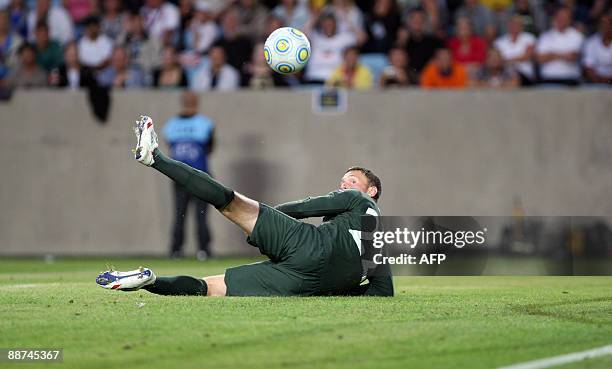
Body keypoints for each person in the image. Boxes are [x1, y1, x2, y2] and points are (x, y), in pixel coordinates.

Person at [96, 116, 393, 297]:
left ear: (372, 191)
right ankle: (151, 281)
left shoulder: (361, 200)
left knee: (229, 201)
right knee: (211, 288)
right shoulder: (379, 243)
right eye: (342, 181)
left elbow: (305, 207)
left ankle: (155, 158)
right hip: (308, 284)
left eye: (351, 181)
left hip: (308, 247)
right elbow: (383, 291)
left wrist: (266, 215)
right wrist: (342, 285)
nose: (343, 185)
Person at [161, 92, 215, 260]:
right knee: (197, 215)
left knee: (182, 215)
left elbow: (170, 146)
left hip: (183, 176)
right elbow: (210, 147)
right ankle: (202, 250)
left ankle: (178, 250)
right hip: (198, 175)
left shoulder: (171, 126)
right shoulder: (204, 124)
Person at [535, 7, 584, 85]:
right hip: (548, 78)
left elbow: (572, 57)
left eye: (565, 17)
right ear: (555, 18)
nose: (562, 20)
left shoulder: (577, 36)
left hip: (570, 78)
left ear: (570, 20)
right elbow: (540, 59)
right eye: (560, 17)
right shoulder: (545, 36)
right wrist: (563, 55)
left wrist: (551, 54)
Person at [494, 14, 536, 84]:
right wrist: (517, 58)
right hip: (504, 73)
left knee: (515, 76)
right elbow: (497, 59)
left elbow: (526, 57)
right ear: (508, 25)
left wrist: (506, 60)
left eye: (517, 24)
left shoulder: (529, 38)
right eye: (512, 23)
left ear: (522, 26)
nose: (514, 26)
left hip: (524, 73)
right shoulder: (499, 41)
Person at [583, 12, 612, 84]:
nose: (605, 26)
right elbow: (588, 67)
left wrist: (608, 81)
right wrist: (599, 81)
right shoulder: (591, 42)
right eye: (602, 23)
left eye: (608, 23)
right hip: (595, 82)